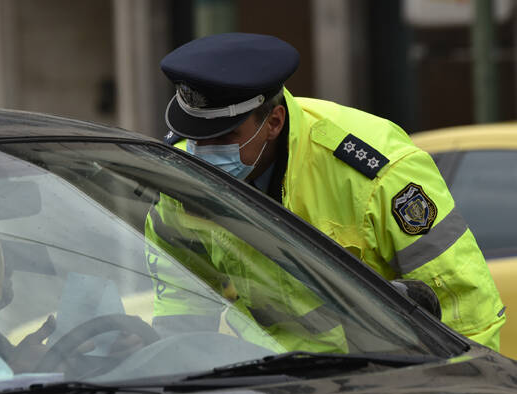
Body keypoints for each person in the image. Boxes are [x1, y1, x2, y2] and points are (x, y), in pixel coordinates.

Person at [151, 32, 505, 351]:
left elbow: (468, 315)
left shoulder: (375, 171)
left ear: (273, 122)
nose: (202, 152)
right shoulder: (185, 177)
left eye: (224, 137)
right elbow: (183, 297)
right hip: (262, 388)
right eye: (195, 136)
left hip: (377, 389)